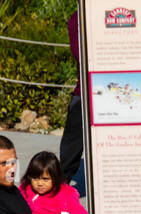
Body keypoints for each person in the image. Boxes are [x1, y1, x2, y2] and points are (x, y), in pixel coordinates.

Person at [59, 10, 84, 184]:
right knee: (72, 145)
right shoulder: (78, 18)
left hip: (120, 91)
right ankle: (61, 187)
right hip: (85, 92)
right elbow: (80, 54)